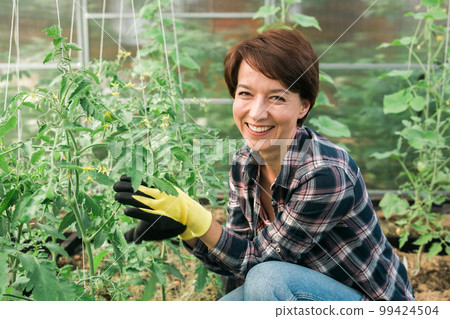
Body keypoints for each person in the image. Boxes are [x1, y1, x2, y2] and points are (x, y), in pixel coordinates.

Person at [113, 28, 415, 301]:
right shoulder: (245, 163)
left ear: (304, 106)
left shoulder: (325, 174)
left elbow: (254, 262)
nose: (257, 113)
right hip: (294, 292)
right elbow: (234, 262)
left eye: (277, 97)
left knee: (266, 277)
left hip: (370, 303)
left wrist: (197, 217)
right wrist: (187, 230)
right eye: (245, 93)